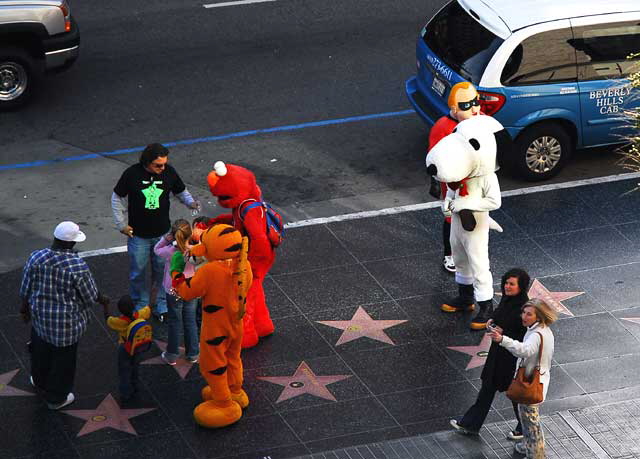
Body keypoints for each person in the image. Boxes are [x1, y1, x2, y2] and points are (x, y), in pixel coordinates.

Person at [19, 221, 110, 410]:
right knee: (63, 362)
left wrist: (24, 309)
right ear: (70, 244)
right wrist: (103, 300)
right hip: (66, 326)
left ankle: (39, 380)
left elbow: (25, 288)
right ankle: (56, 398)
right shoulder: (77, 266)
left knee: (40, 352)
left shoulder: (36, 257)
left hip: (40, 318)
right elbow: (89, 296)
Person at [111, 143, 200, 322]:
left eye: (164, 164)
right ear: (147, 162)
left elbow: (181, 190)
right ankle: (141, 306)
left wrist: (191, 203)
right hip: (138, 236)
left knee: (163, 270)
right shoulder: (132, 174)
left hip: (163, 234)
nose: (162, 168)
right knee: (138, 272)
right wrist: (121, 224)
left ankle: (161, 304)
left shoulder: (169, 172)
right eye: (158, 165)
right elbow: (117, 197)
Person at [450, 268, 530, 438]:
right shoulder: (508, 300)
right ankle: (471, 424)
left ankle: (525, 427)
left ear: (521, 286)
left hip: (510, 358)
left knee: (515, 394)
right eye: (506, 283)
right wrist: (493, 322)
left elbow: (524, 334)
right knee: (487, 390)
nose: (507, 287)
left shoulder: (524, 308)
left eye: (512, 284)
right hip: (497, 355)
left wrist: (504, 332)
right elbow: (499, 315)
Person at [488, 298, 557, 458]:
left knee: (531, 421)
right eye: (524, 313)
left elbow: (524, 351)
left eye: (529, 314)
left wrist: (502, 340)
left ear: (539, 316)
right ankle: (528, 445)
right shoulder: (541, 330)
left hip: (530, 381)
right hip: (536, 378)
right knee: (527, 419)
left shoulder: (536, 334)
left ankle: (536, 454)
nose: (524, 317)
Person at [427, 81, 481, 273]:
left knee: (475, 215)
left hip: (475, 180)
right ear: (455, 108)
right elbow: (434, 159)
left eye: (476, 101)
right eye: (467, 105)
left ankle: (469, 250)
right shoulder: (443, 128)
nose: (474, 108)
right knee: (451, 218)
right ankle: (449, 254)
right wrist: (436, 182)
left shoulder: (479, 120)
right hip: (453, 183)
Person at [153, 219, 199, 365]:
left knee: (174, 321)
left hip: (173, 289)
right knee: (190, 320)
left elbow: (156, 249)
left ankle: (172, 354)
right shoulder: (195, 250)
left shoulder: (170, 252)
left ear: (173, 234)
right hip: (191, 287)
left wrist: (166, 239)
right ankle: (193, 353)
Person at [106, 295, 151, 401]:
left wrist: (105, 306)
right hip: (136, 347)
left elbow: (107, 319)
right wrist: (153, 292)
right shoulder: (139, 315)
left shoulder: (119, 322)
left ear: (119, 310)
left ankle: (125, 393)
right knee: (135, 367)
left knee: (124, 371)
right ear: (134, 306)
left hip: (125, 348)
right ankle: (135, 387)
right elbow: (150, 307)